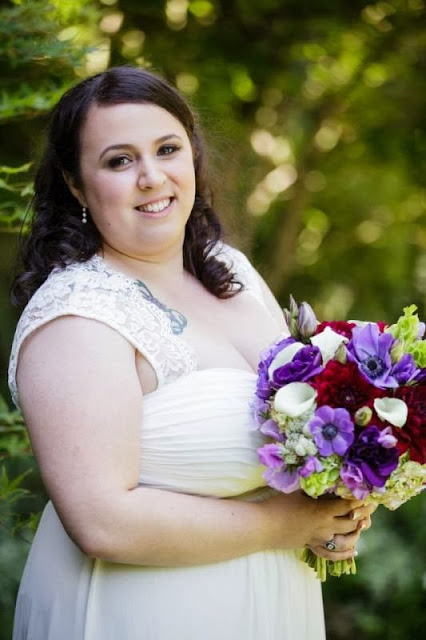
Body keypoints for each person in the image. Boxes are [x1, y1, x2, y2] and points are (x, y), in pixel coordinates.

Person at [8, 66, 373, 640]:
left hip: (273, 603)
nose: (151, 177)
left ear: (193, 159)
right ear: (76, 185)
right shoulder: (76, 316)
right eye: (119, 161)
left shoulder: (233, 272)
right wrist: (284, 526)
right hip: (140, 611)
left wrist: (337, 499)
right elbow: (102, 522)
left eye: (167, 149)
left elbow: (294, 432)